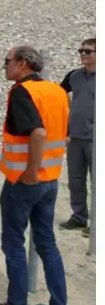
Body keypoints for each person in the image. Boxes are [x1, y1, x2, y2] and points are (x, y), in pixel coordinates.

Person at [0, 45, 71, 305]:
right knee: (47, 244)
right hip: (51, 180)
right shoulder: (56, 91)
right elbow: (64, 136)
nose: (5, 66)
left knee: (14, 243)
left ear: (23, 64)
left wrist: (30, 171)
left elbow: (39, 133)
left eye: (7, 61)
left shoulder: (21, 92)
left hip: (24, 181)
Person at [57, 38, 95, 237]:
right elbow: (59, 93)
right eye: (81, 50)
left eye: (88, 51)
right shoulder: (74, 76)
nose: (83, 54)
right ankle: (79, 218)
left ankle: (97, 224)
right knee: (76, 179)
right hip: (75, 136)